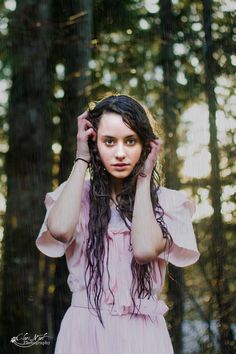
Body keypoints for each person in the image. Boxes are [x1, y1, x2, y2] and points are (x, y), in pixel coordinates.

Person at [36, 94, 200, 354]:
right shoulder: (75, 195)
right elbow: (59, 230)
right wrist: (81, 158)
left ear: (146, 145)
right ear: (94, 143)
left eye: (131, 141)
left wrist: (145, 178)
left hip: (143, 335)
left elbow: (144, 250)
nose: (120, 153)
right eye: (109, 141)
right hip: (83, 331)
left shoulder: (169, 203)